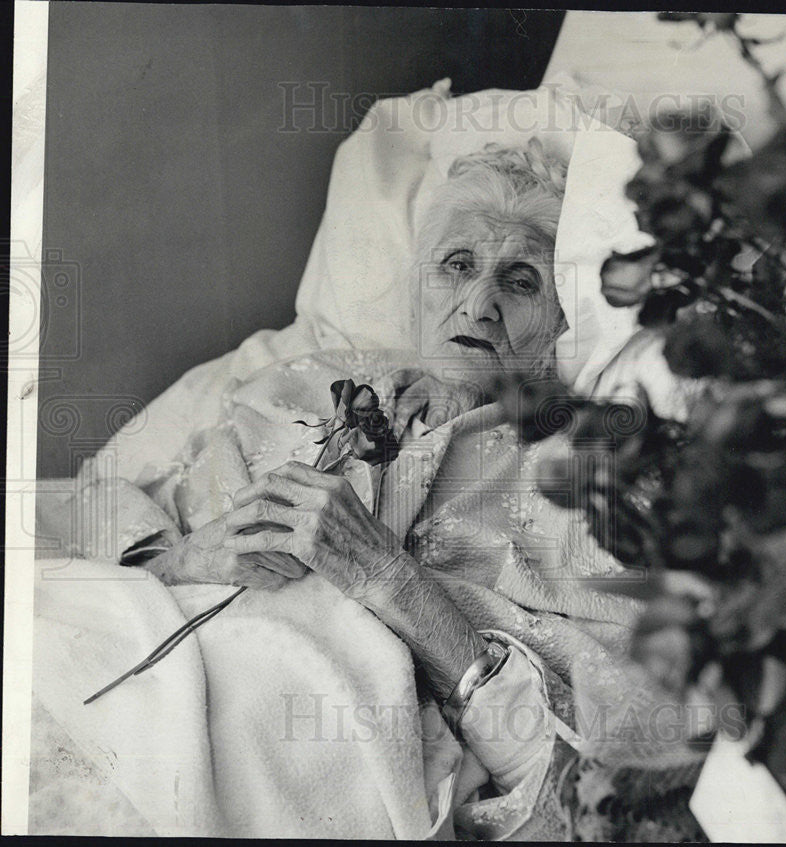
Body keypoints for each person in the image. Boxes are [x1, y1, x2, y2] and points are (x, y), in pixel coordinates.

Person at [32, 140, 703, 839]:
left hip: (302, 743)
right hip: (135, 664)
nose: (479, 304)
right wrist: (183, 560)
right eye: (457, 265)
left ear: (566, 318)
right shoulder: (297, 380)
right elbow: (96, 508)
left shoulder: (591, 472)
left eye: (523, 281)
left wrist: (395, 582)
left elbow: (598, 790)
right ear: (420, 287)